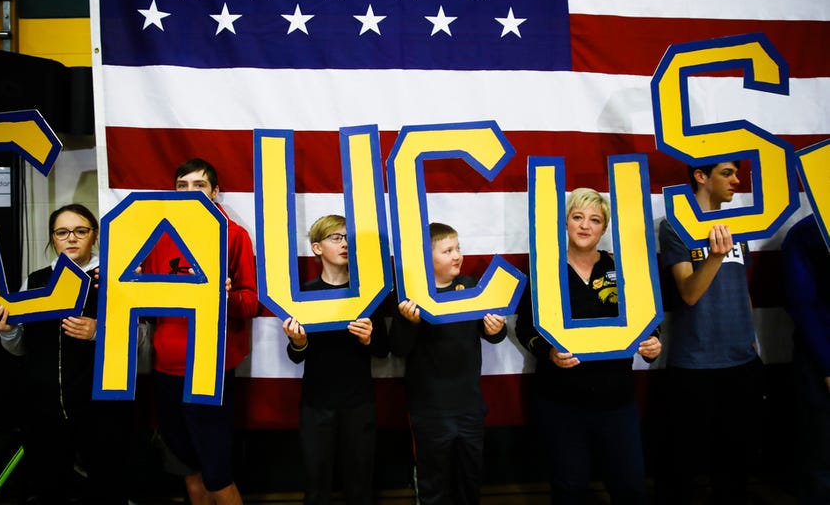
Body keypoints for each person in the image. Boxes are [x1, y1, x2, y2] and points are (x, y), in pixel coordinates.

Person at [515, 188, 661, 504]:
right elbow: (525, 326)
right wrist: (549, 353)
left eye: (594, 220)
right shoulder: (544, 270)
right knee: (569, 489)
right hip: (561, 401)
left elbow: (648, 319)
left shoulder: (621, 267)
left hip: (617, 399)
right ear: (565, 223)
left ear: (604, 228)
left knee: (630, 488)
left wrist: (653, 341)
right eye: (578, 217)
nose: (585, 226)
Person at [0, 203, 134, 504]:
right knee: (50, 486)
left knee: (108, 484)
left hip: (101, 407)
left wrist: (98, 333)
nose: (71, 238)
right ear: (53, 238)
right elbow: (21, 347)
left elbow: (140, 341)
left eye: (80, 230)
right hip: (44, 408)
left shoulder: (116, 278)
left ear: (95, 235)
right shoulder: (35, 282)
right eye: (62, 232)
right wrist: (6, 331)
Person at [143, 158, 259, 505]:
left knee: (217, 474)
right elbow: (146, 308)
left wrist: (224, 298)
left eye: (200, 185)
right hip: (166, 370)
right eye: (183, 185)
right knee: (189, 473)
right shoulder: (157, 237)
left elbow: (251, 303)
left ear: (216, 192)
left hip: (212, 370)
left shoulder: (234, 236)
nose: (190, 192)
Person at [656, 161, 763, 504]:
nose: (736, 180)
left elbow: (739, 286)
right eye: (727, 173)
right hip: (695, 363)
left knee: (736, 464)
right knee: (685, 466)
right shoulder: (675, 226)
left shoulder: (738, 224)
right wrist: (715, 256)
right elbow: (688, 292)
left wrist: (752, 338)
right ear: (701, 177)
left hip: (742, 360)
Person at [389, 222, 507, 505]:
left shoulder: (471, 287)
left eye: (458, 248)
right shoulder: (411, 296)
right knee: (433, 483)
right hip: (430, 411)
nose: (457, 256)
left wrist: (496, 329)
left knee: (470, 477)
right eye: (447, 250)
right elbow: (397, 349)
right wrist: (410, 322)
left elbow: (493, 333)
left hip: (469, 406)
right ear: (425, 259)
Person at [281, 214, 390, 505]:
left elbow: (383, 350)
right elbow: (294, 355)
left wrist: (369, 338)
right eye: (336, 238)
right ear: (317, 248)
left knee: (360, 487)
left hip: (359, 402)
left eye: (348, 238)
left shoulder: (369, 293)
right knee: (316, 487)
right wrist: (299, 342)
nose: (344, 244)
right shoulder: (303, 294)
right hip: (317, 403)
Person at [780, 213, 830, 504]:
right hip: (819, 360)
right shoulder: (808, 233)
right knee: (821, 458)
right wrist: (826, 366)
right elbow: (801, 306)